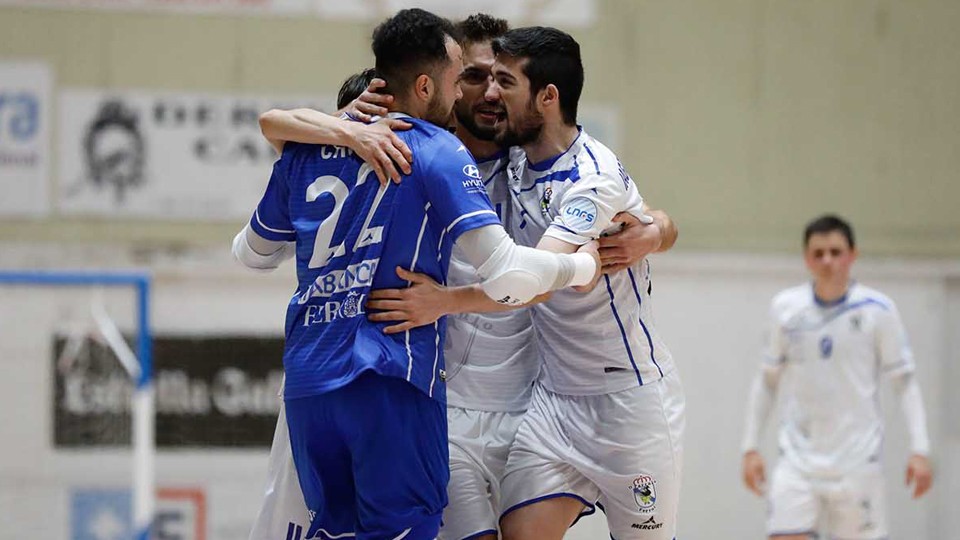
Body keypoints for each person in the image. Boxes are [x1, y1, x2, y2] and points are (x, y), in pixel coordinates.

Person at [233, 9, 603, 540]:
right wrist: (580, 265)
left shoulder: (306, 153)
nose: (463, 96)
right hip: (391, 378)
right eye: (460, 80)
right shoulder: (432, 149)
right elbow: (506, 275)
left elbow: (250, 253)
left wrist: (333, 133)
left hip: (310, 384)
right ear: (426, 84)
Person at [370, 26, 685, 540]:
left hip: (625, 401)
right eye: (477, 78)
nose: (490, 94)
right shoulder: (462, 157)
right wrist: (346, 123)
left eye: (503, 82)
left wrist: (653, 233)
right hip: (541, 407)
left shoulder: (579, 172)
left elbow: (537, 278)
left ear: (546, 96)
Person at [740, 214, 933, 540]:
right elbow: (767, 380)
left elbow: (905, 382)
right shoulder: (786, 309)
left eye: (835, 251)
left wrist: (920, 449)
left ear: (852, 255)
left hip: (858, 464)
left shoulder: (878, 310)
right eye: (818, 253)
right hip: (798, 463)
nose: (827, 260)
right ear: (806, 259)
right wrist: (750, 447)